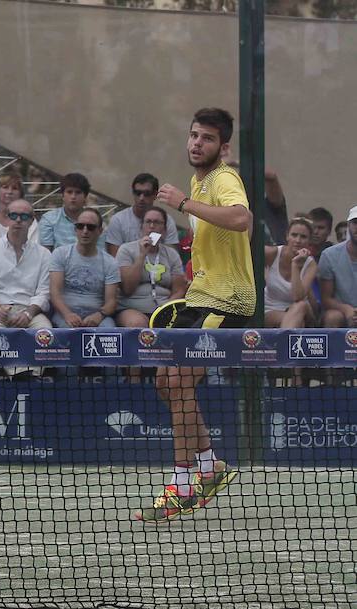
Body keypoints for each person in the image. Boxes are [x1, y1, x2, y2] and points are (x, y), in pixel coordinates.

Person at [138, 107, 254, 523]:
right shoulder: (199, 180)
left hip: (227, 301)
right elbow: (245, 222)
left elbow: (241, 218)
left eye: (205, 138)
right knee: (167, 382)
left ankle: (183, 486)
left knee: (181, 380)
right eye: (192, 135)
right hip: (200, 295)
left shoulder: (223, 178)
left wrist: (184, 203)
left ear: (222, 146)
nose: (195, 143)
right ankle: (209, 465)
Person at [0, 199, 51, 379]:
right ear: (7, 219)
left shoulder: (44, 254)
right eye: (14, 215)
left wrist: (28, 314)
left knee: (46, 335)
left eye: (24, 216)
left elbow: (44, 292)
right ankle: (21, 375)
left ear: (32, 221)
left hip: (30, 311)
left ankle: (30, 376)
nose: (18, 220)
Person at [115, 206, 187, 329]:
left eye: (157, 222)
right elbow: (127, 288)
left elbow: (179, 290)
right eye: (148, 222)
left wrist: (165, 310)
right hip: (131, 307)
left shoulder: (171, 254)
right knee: (138, 324)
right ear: (141, 227)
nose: (152, 226)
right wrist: (142, 255)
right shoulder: (126, 250)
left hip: (163, 307)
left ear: (164, 230)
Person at [49, 208, 120, 328]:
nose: (85, 231)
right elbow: (54, 293)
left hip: (97, 315)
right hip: (64, 313)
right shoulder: (60, 254)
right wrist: (68, 314)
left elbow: (111, 301)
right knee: (67, 332)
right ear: (75, 229)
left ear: (100, 231)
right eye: (80, 226)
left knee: (109, 331)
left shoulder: (110, 262)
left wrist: (99, 315)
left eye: (91, 227)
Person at [104, 173, 180, 256]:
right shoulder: (118, 220)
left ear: (155, 195)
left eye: (147, 194)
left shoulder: (167, 221)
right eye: (137, 193)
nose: (141, 198)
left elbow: (172, 257)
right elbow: (114, 259)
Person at [264, 218, 318, 329]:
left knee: (300, 305)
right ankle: (287, 344)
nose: (298, 240)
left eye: (303, 237)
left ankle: (285, 344)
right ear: (287, 236)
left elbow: (297, 297)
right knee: (297, 321)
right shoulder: (272, 253)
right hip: (271, 310)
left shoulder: (311, 264)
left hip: (301, 310)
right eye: (294, 235)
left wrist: (295, 265)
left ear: (309, 241)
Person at [37, 172, 103, 252]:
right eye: (69, 192)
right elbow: (45, 254)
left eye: (78, 192)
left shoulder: (94, 220)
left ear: (85, 196)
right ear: (63, 195)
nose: (73, 197)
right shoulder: (49, 219)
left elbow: (100, 251)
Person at [318, 204, 357, 328]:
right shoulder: (329, 255)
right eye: (355, 222)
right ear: (348, 225)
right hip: (341, 311)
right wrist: (346, 309)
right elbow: (326, 299)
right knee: (332, 317)